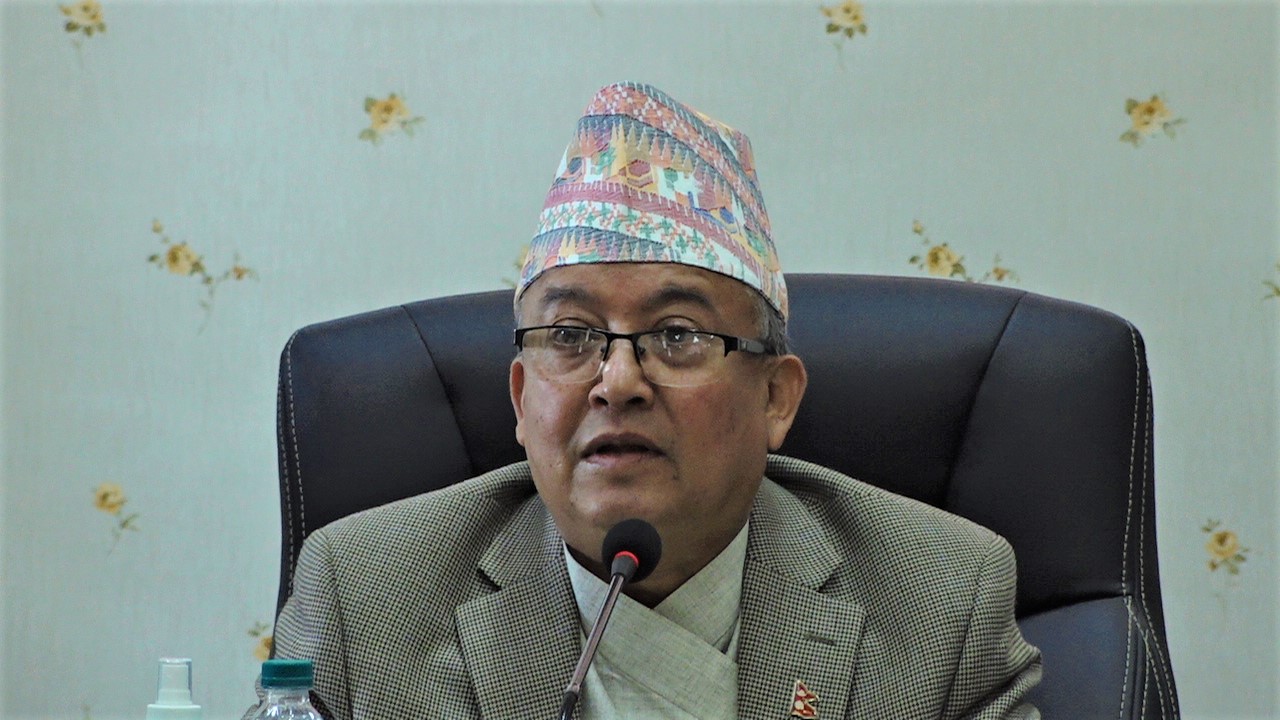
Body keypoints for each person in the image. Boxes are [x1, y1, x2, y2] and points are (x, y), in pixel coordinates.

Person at [253, 81, 1042, 719]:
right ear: (522, 400)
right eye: (571, 335)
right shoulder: (364, 597)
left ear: (775, 397)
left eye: (676, 335)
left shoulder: (941, 600)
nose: (618, 381)